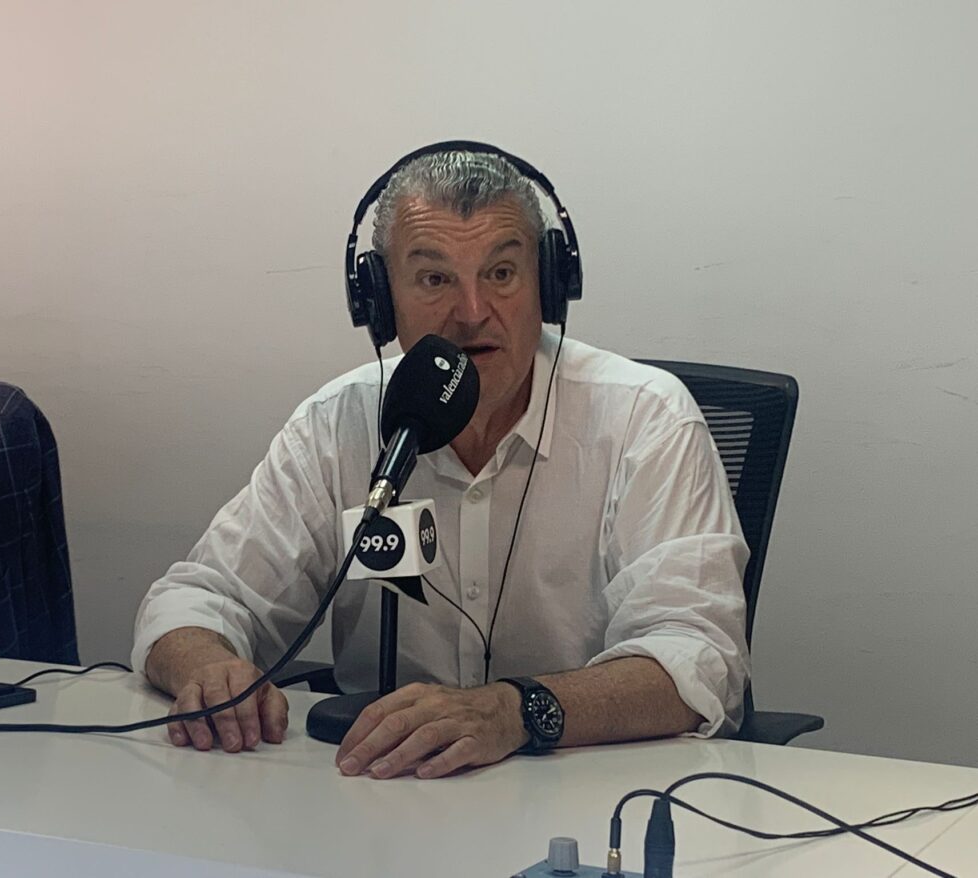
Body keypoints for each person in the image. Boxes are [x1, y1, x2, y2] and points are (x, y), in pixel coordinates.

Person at [133, 143, 749, 780]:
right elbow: (195, 599)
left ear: (548, 285)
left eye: (502, 274)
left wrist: (512, 711)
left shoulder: (645, 419)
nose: (472, 312)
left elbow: (699, 658)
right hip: (381, 791)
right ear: (380, 302)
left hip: (589, 790)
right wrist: (208, 665)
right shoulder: (337, 424)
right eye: (434, 280)